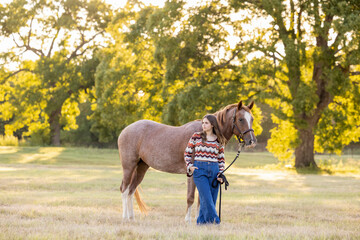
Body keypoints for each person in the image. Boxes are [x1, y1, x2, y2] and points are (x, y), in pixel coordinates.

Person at [184, 114, 226, 225]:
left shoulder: (219, 140)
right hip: (199, 170)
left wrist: (220, 174)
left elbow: (221, 159)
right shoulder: (196, 136)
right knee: (207, 198)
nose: (203, 125)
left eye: (206, 123)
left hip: (214, 170)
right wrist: (190, 166)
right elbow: (187, 153)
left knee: (209, 199)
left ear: (212, 125)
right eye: (202, 123)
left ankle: (201, 223)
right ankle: (215, 222)